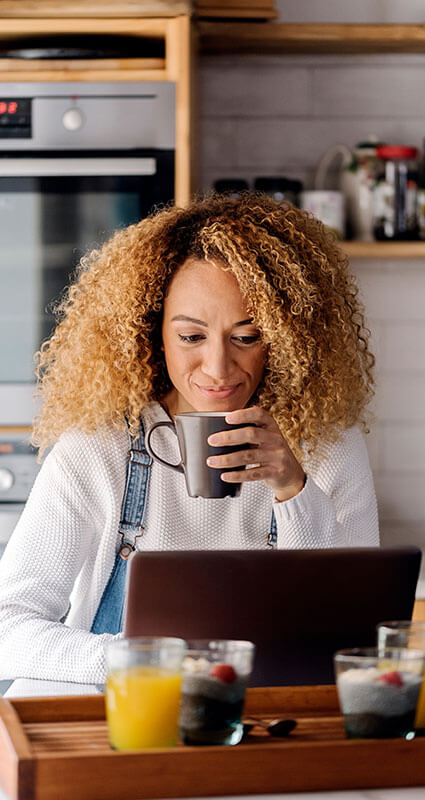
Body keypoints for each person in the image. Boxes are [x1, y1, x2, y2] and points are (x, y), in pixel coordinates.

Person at [0, 192, 379, 685]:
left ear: (286, 336)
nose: (219, 369)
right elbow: (8, 628)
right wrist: (143, 661)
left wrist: (293, 487)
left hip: (257, 724)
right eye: (191, 337)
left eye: (247, 337)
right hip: (109, 721)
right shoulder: (98, 449)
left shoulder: (328, 446)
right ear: (150, 331)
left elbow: (348, 633)